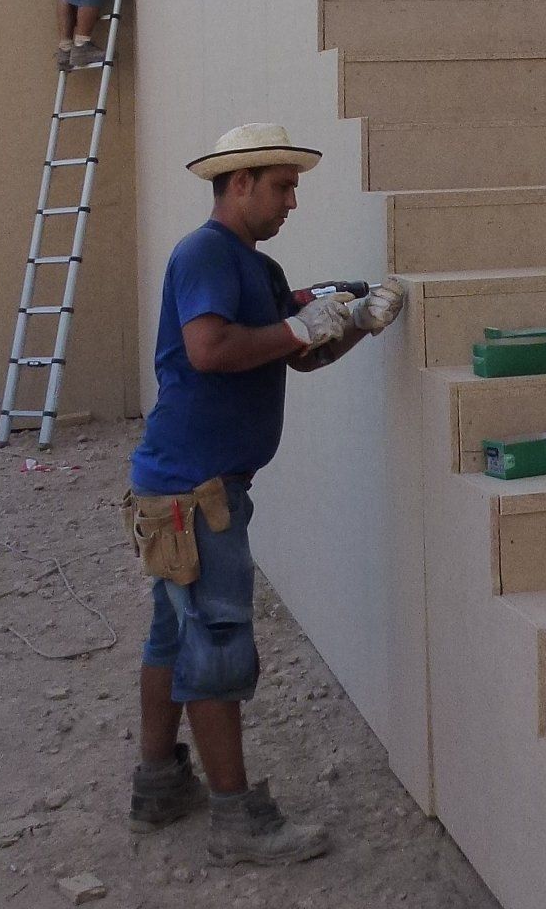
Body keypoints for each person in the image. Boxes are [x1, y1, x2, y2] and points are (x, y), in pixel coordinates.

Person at [125, 123, 406, 863]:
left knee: (174, 633)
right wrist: (299, 326)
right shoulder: (206, 254)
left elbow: (299, 355)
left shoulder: (257, 265)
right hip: (196, 491)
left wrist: (354, 324)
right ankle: (234, 819)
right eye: (282, 187)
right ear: (240, 182)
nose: (291, 202)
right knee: (216, 645)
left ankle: (158, 784)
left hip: (187, 483)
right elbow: (209, 349)